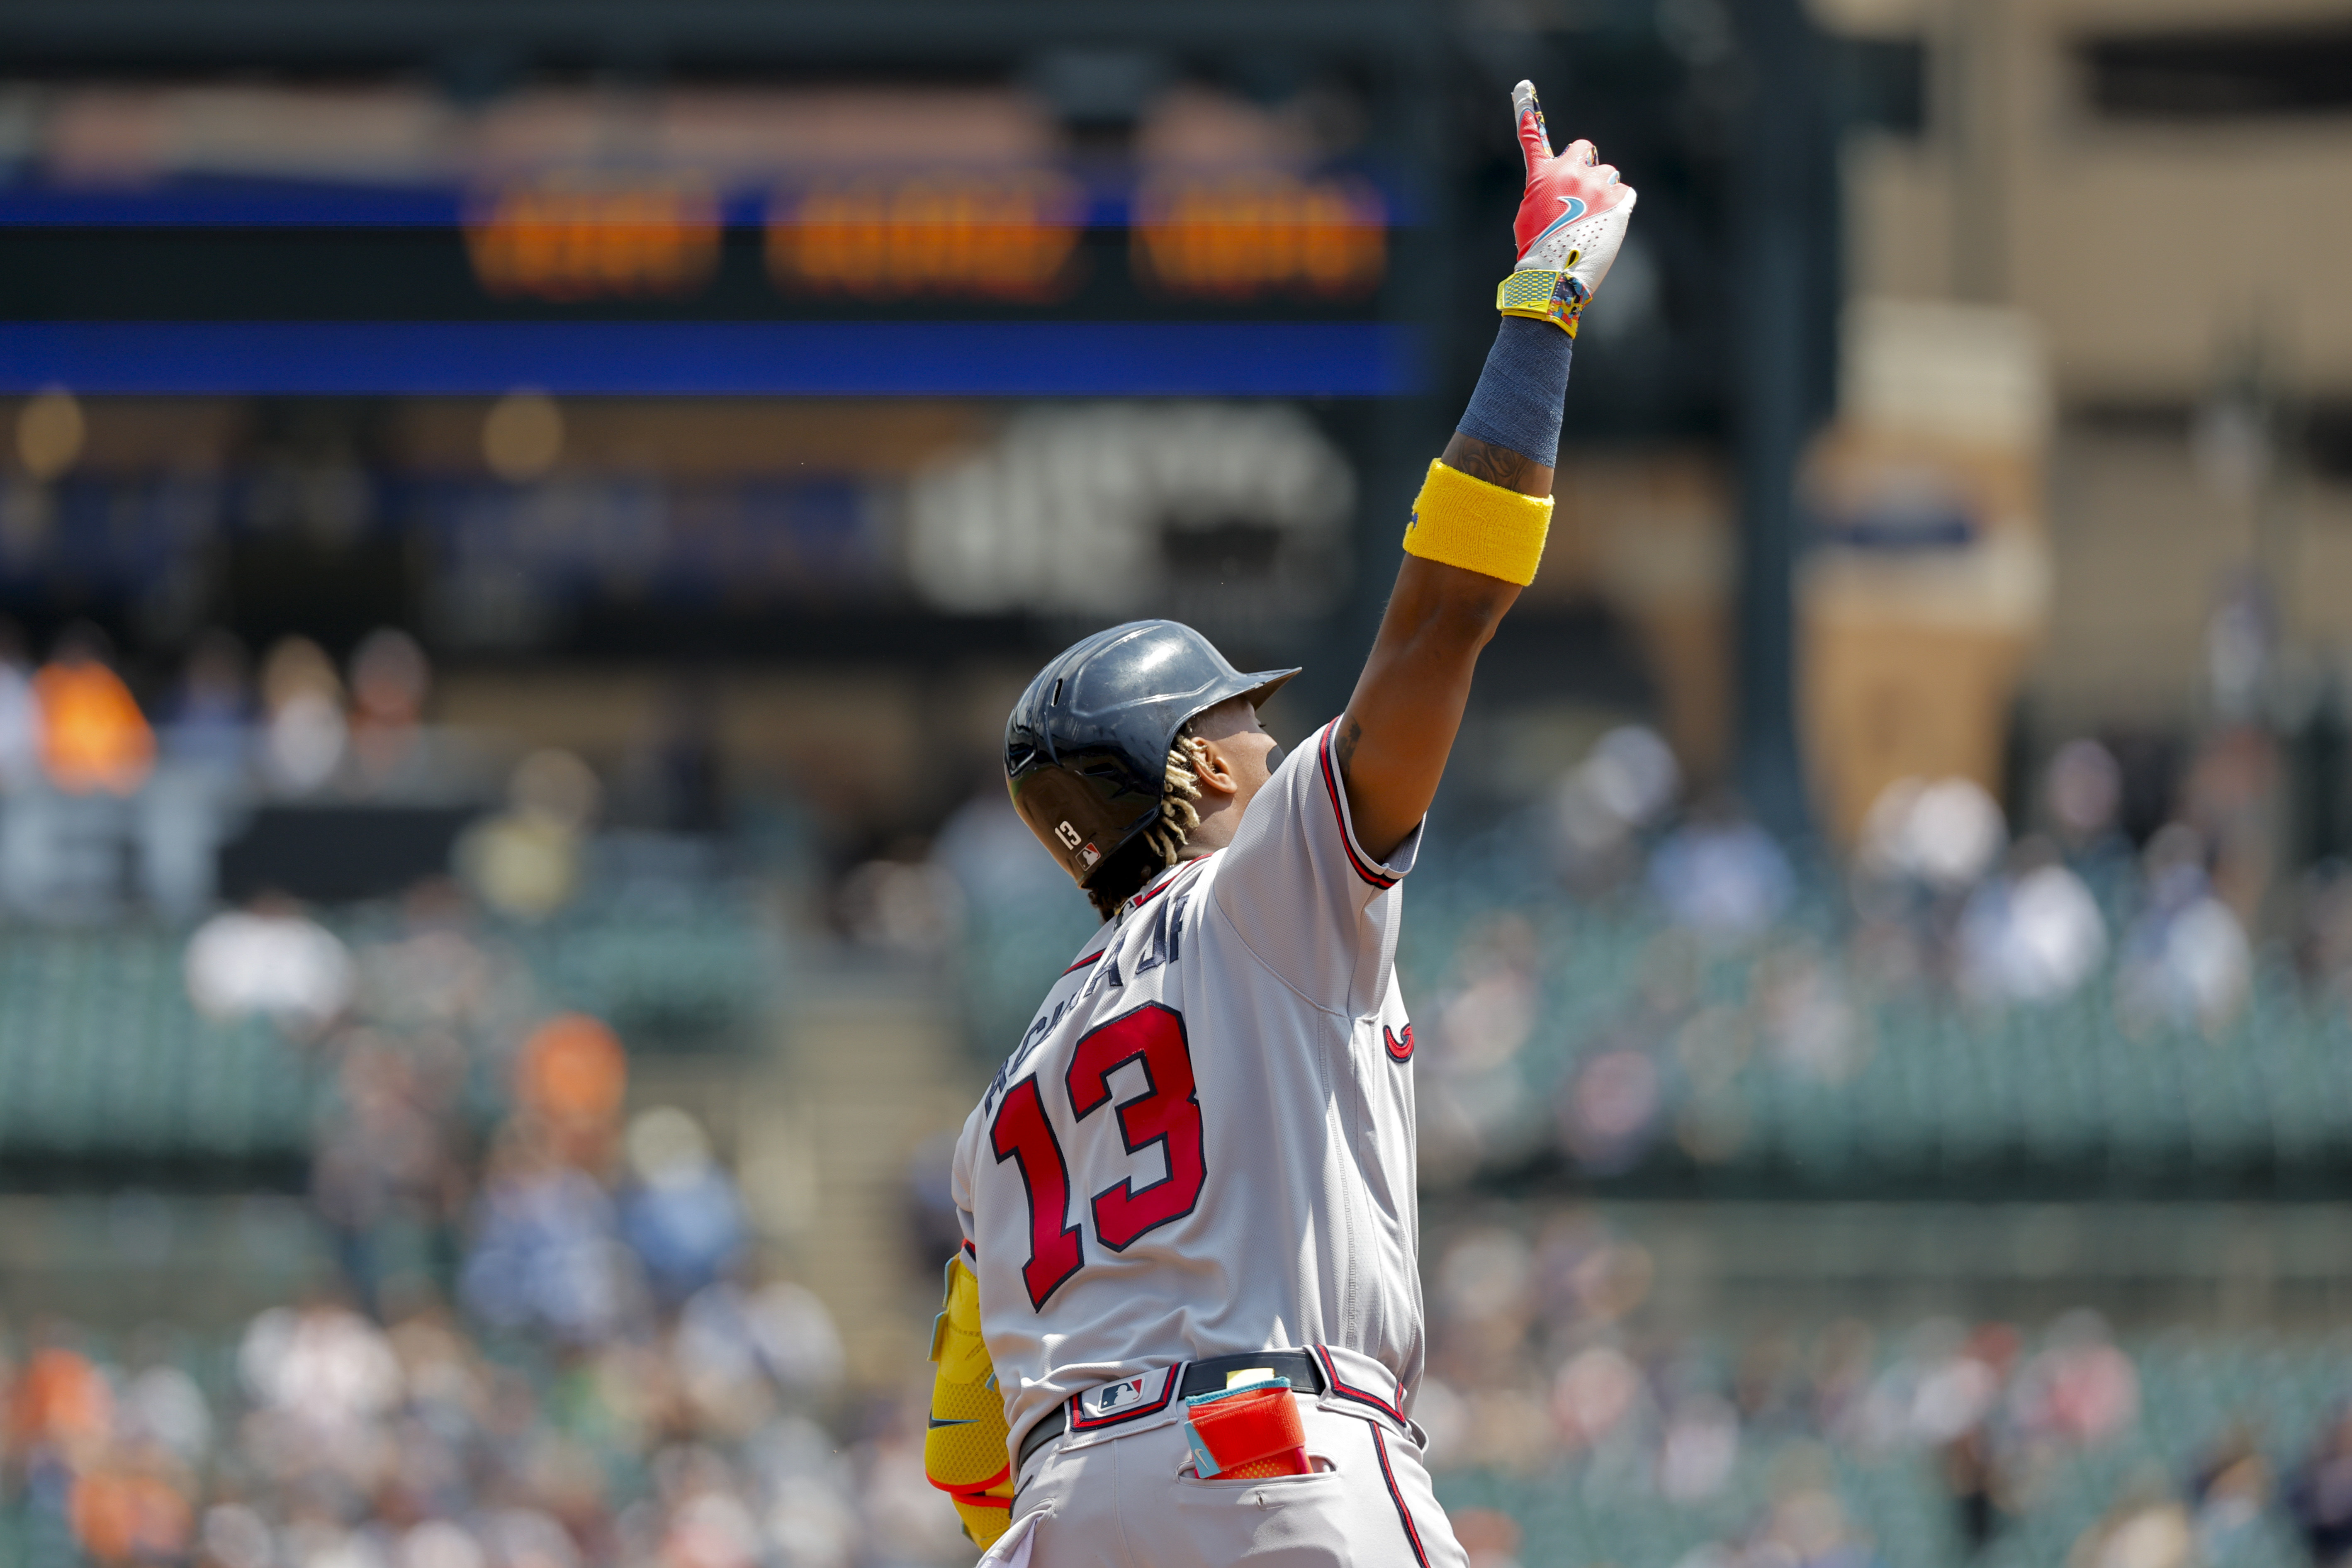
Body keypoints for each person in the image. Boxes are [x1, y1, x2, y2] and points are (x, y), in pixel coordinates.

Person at [929, 82, 1636, 1568]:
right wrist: (1543, 299)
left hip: (1066, 1521)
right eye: (1234, 716)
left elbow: (962, 1453)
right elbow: (1440, 626)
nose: (1266, 730)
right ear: (1194, 777)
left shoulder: (1004, 1106)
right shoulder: (1261, 897)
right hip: (1272, 1469)